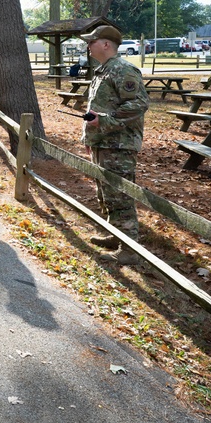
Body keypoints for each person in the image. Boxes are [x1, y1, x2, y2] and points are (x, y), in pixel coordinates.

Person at [79, 25, 150, 266]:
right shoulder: (103, 70)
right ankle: (115, 234)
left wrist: (104, 122)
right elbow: (97, 108)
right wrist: (90, 138)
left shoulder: (123, 69)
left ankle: (129, 250)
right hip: (104, 143)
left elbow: (139, 104)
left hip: (119, 145)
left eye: (91, 42)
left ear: (106, 44)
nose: (88, 46)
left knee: (120, 196)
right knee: (106, 193)